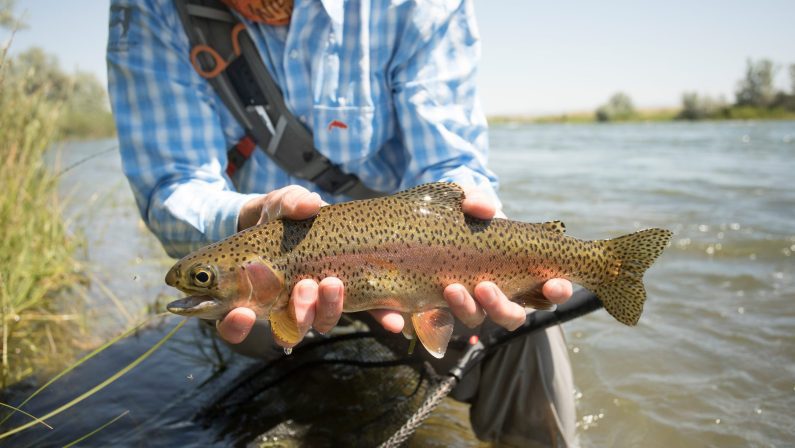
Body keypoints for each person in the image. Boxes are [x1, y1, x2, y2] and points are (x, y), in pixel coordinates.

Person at [107, 0, 578, 445]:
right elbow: (172, 183)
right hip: (254, 251)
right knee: (244, 320)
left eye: (203, 277)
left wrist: (472, 222)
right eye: (202, 279)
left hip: (416, 251)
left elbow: (449, 163)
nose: (197, 282)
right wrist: (244, 217)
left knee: (529, 330)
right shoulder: (154, 9)